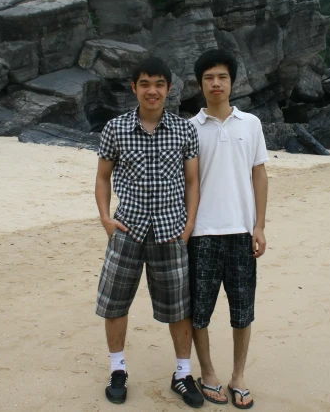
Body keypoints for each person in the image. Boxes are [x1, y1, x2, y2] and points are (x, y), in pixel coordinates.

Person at [94, 57, 204, 408]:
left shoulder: (185, 130)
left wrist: (188, 226)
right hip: (127, 229)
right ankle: (118, 369)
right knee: (115, 303)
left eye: (159, 84)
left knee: (179, 308)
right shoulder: (115, 128)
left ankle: (183, 374)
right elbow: (102, 177)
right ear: (134, 88)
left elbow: (192, 182)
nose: (152, 90)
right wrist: (105, 219)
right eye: (144, 83)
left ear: (169, 89)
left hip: (171, 231)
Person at [188, 49, 269, 409]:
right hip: (201, 233)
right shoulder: (189, 128)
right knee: (199, 310)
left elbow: (259, 173)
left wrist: (260, 226)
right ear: (200, 84)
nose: (215, 83)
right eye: (208, 78)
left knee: (242, 310)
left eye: (221, 77)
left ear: (232, 81)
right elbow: (184, 182)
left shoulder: (250, 124)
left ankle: (238, 376)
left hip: (241, 231)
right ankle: (207, 373)